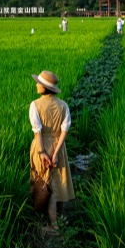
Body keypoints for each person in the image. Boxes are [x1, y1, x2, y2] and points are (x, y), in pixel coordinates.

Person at [29, 70, 75, 231]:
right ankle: (60, 219)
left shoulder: (35, 105)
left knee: (47, 185)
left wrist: (43, 153)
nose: (36, 85)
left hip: (42, 147)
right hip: (58, 146)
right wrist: (55, 154)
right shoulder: (64, 105)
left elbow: (38, 132)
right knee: (59, 182)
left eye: (38, 83)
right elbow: (64, 131)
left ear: (44, 88)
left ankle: (53, 225)